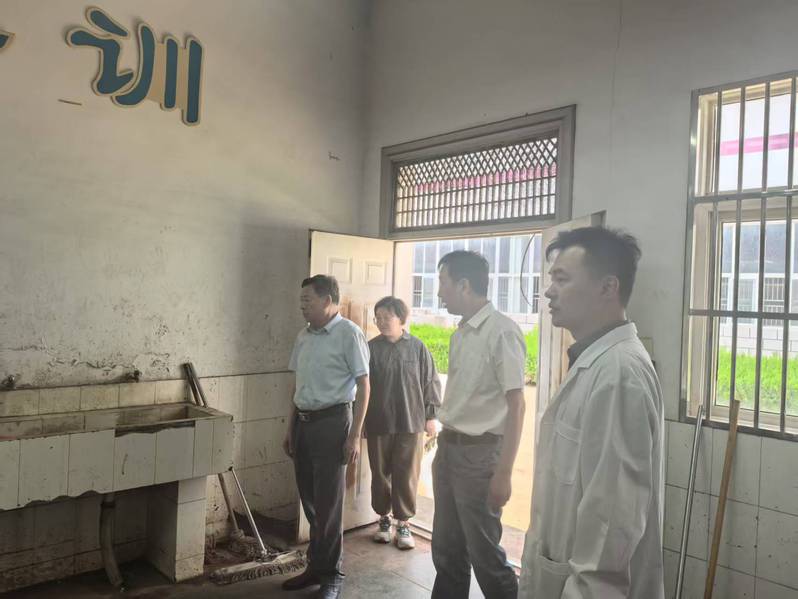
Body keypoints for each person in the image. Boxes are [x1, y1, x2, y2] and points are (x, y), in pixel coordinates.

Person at [519, 227, 664, 599]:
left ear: (607, 287)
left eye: (561, 279)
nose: (549, 291)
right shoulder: (594, 361)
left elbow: (610, 527)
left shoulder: (619, 375)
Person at [431, 250, 526, 599]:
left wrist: (503, 473)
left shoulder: (502, 332)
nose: (439, 292)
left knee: (485, 556)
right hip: (448, 449)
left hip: (480, 457)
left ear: (464, 285)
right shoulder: (460, 334)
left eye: (443, 282)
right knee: (446, 550)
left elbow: (517, 405)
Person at [281, 275, 370, 599]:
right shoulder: (304, 335)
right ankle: (315, 567)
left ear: (328, 300)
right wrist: (290, 427)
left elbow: (365, 386)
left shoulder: (349, 333)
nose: (302, 305)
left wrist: (354, 436)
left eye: (308, 300)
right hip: (304, 424)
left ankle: (332, 574)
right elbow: (298, 385)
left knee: (328, 505)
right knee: (310, 500)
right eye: (301, 300)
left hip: (333, 423)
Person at [365, 296, 441, 550]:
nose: (381, 322)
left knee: (407, 474)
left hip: (411, 420)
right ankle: (383, 519)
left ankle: (404, 524)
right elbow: (361, 386)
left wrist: (431, 416)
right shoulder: (370, 348)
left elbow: (430, 382)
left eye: (387, 317)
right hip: (378, 420)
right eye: (378, 318)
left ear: (401, 319)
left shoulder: (417, 347)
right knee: (380, 473)